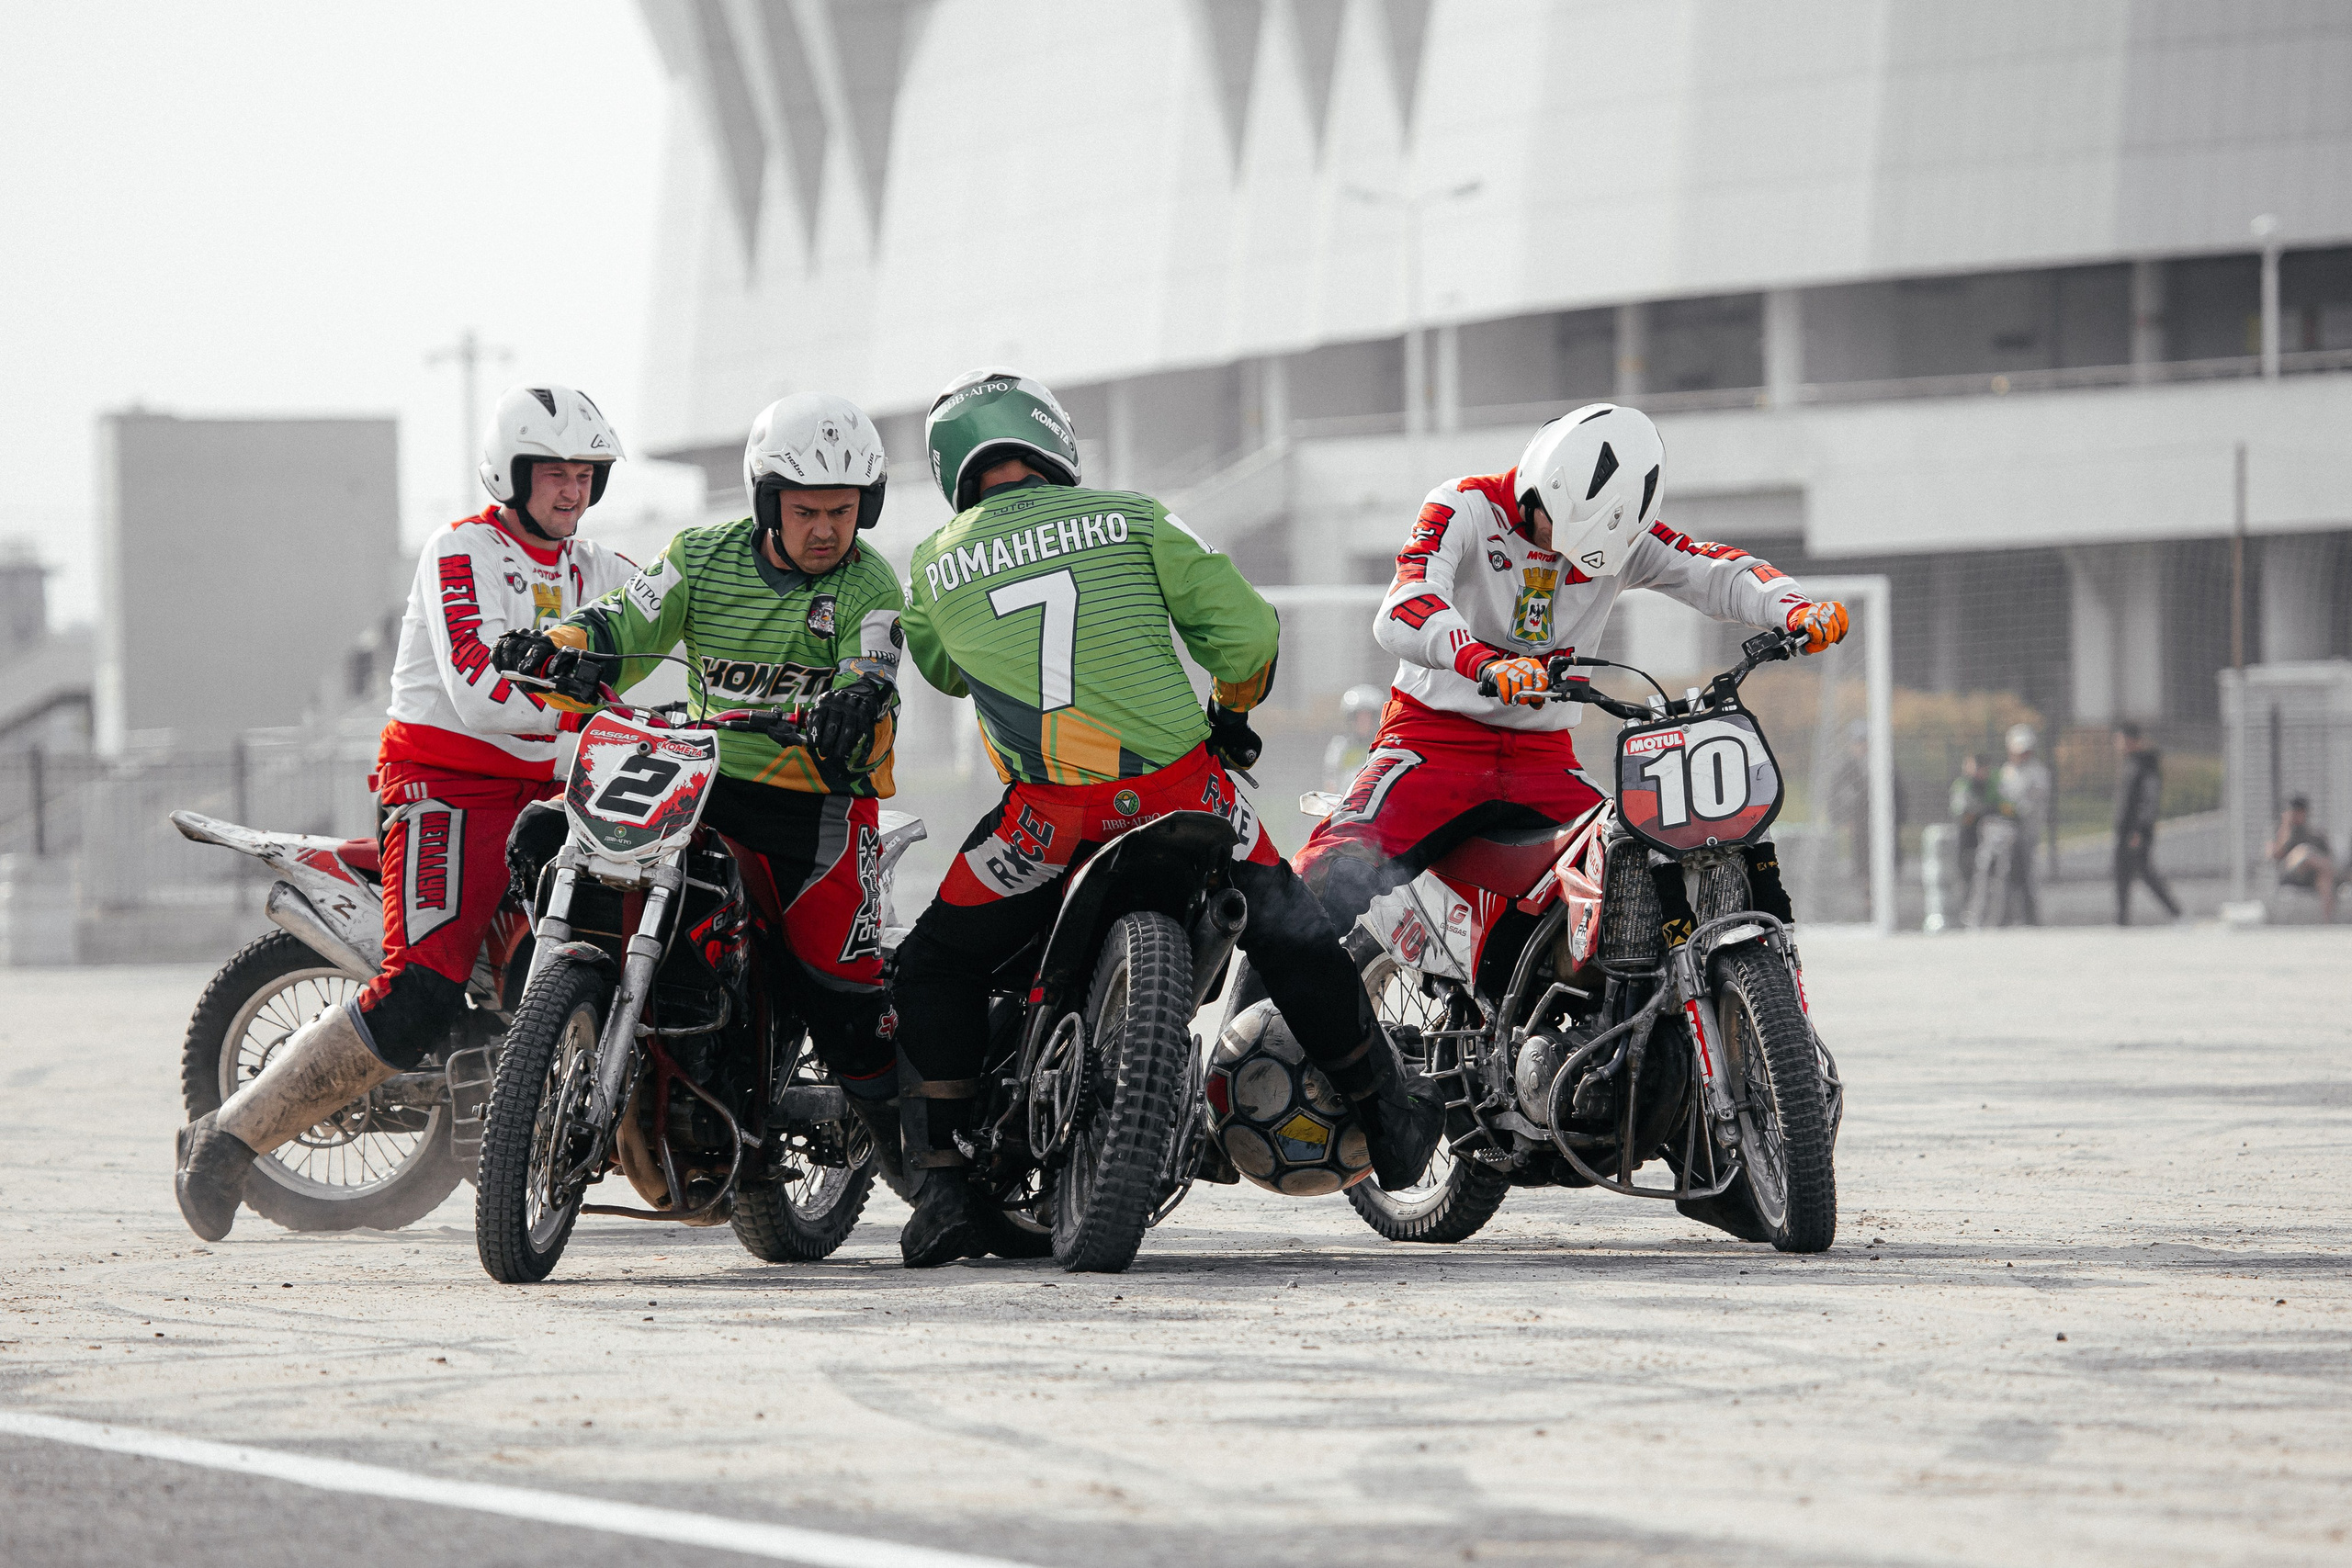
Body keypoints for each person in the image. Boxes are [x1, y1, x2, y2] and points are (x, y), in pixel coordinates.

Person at [888, 367, 1442, 1267]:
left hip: (1047, 820)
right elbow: (1250, 635)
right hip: (1185, 792)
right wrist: (1229, 709)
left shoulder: (934, 557)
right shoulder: (1136, 516)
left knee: (933, 965)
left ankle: (943, 1183)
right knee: (1295, 935)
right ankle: (1391, 1120)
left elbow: (943, 672)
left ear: (957, 468)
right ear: (1052, 445)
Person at [175, 385, 639, 1240]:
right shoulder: (461, 550)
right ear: (513, 472)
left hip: (552, 793)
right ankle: (227, 1140)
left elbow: (674, 621)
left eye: (585, 474)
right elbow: (479, 689)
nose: (571, 490)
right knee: (419, 990)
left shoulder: (596, 570)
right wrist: (589, 713)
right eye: (554, 473)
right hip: (443, 789)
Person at [493, 393, 910, 1165]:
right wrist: (555, 646)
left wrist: (857, 694)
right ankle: (550, 1034)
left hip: (816, 804)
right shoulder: (700, 555)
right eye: (806, 510)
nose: (825, 529)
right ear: (767, 502)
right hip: (703, 779)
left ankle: (925, 1171)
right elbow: (623, 621)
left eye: (842, 511)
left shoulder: (870, 584)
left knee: (845, 995)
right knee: (543, 832)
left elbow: (873, 664)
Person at [1292, 401, 1849, 930]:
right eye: (1559, 532)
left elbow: (1712, 570)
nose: (1565, 557)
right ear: (1541, 485)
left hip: (1545, 761)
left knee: (1634, 882)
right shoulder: (1462, 505)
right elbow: (1402, 607)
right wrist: (1480, 660)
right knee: (1323, 879)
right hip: (1432, 744)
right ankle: (1262, 1024)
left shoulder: (1623, 535)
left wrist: (1793, 606)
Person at [2112, 723, 2180, 925]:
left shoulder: (2146, 765)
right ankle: (2122, 920)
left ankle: (2177, 914)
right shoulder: (2130, 763)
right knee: (2122, 875)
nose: (2118, 744)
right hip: (2125, 831)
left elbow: (2148, 801)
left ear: (2131, 740)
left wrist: (2139, 830)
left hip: (2136, 832)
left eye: (2121, 739)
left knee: (2146, 874)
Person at [1996, 723, 2052, 927]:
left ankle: (2031, 918)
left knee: (2028, 875)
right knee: (2007, 875)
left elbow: (2032, 803)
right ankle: (2006, 917)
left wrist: (2015, 810)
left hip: (2027, 833)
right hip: (2008, 835)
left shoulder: (2038, 773)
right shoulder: (2007, 772)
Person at [2270, 794, 2337, 921]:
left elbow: (2328, 856)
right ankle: (2339, 873)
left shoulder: (2315, 835)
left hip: (2311, 877)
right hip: (2289, 874)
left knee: (2325, 877)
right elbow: (2274, 855)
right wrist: (2285, 827)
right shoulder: (2279, 832)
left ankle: (2327, 921)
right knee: (2305, 852)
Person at [1949, 754, 1993, 911]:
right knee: (1966, 877)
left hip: (1984, 840)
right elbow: (1964, 810)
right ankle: (1965, 911)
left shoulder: (1989, 786)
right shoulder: (1963, 786)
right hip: (1967, 839)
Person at [1323, 683, 1385, 792]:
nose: (1363, 722)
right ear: (1351, 719)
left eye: (1368, 717)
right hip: (1346, 805)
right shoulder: (1339, 746)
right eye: (1359, 717)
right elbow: (1331, 781)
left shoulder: (1385, 747)